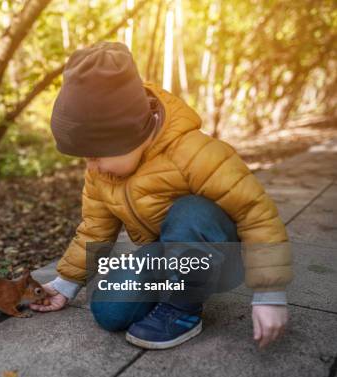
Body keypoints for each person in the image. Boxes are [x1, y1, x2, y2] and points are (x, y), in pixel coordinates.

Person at [29, 42, 292, 350]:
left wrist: (270, 294)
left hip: (222, 253)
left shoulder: (194, 153)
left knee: (191, 212)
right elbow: (93, 228)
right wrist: (66, 283)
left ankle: (182, 311)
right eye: (84, 157)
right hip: (167, 255)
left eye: (96, 155)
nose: (91, 166)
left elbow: (255, 211)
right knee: (108, 311)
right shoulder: (101, 173)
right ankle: (172, 289)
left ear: (131, 134)